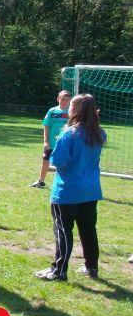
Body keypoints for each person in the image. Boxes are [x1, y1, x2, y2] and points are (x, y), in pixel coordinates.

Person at [34, 94, 105, 281]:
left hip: (67, 191)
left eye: (71, 106)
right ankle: (91, 267)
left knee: (63, 231)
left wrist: (58, 142)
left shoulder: (69, 133)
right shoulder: (99, 133)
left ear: (77, 110)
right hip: (91, 191)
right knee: (88, 230)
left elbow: (58, 161)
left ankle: (59, 271)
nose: (69, 109)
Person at [29, 90, 71, 188]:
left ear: (70, 101)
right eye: (62, 99)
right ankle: (41, 181)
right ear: (58, 99)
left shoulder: (72, 112)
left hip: (65, 143)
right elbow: (46, 126)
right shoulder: (52, 111)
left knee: (64, 163)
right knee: (45, 160)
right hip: (51, 142)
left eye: (67, 100)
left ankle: (66, 184)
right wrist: (46, 141)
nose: (64, 102)